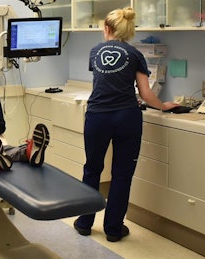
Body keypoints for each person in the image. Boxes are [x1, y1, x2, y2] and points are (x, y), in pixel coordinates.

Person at [73, 7, 179, 242]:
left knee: (92, 169)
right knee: (122, 174)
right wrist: (164, 106)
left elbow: (103, 82)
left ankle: (84, 222)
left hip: (97, 117)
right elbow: (145, 93)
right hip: (126, 118)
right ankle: (113, 229)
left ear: (107, 28)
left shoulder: (95, 51)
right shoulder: (134, 54)